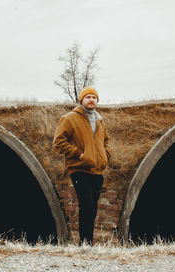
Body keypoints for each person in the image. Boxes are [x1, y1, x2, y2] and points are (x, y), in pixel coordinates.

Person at [53, 86, 111, 244]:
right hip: (79, 168)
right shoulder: (70, 118)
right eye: (88, 97)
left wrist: (106, 156)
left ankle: (88, 242)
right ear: (82, 100)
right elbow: (58, 143)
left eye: (94, 97)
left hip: (97, 170)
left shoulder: (100, 120)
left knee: (92, 209)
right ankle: (84, 243)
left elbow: (105, 142)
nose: (91, 100)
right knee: (86, 204)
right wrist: (79, 154)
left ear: (97, 100)